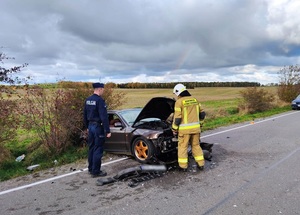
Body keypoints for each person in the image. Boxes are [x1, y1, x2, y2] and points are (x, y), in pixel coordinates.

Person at [172, 83, 206, 172]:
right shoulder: (195, 100)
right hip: (196, 129)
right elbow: (202, 114)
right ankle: (201, 164)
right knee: (196, 146)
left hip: (184, 131)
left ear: (178, 92)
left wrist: (174, 129)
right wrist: (200, 124)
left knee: (183, 147)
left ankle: (183, 167)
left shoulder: (179, 102)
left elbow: (177, 118)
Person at [83, 82, 111, 177]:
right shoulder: (99, 101)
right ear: (99, 89)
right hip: (98, 127)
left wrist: (87, 127)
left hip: (90, 126)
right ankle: (96, 171)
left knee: (91, 148)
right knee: (98, 149)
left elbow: (84, 115)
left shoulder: (88, 100)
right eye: (102, 89)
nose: (103, 91)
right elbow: (104, 117)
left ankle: (91, 168)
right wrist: (107, 131)